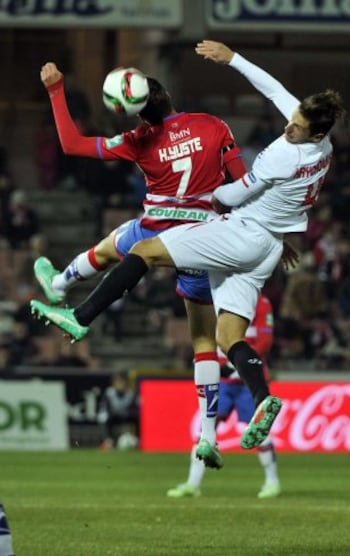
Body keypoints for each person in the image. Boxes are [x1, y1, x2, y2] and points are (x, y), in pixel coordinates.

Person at [31, 40, 344, 453]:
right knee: (225, 338)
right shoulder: (300, 142)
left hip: (233, 232)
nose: (289, 125)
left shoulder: (278, 158)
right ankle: (261, 398)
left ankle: (80, 314)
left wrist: (205, 204)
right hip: (267, 244)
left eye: (297, 126)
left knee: (137, 250)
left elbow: (232, 196)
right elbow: (271, 90)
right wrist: (232, 58)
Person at [32, 61, 248, 469]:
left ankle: (62, 285)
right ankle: (208, 435)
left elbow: (73, 145)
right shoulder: (212, 124)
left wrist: (56, 90)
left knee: (115, 243)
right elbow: (241, 182)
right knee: (203, 340)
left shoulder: (137, 139)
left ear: (132, 108)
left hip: (155, 231)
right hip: (204, 238)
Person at [167, 294, 281, 499]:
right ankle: (192, 484)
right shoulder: (215, 296)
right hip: (221, 380)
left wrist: (233, 366)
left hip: (248, 381)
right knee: (205, 430)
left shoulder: (260, 301)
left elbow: (265, 340)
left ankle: (272, 482)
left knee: (260, 429)